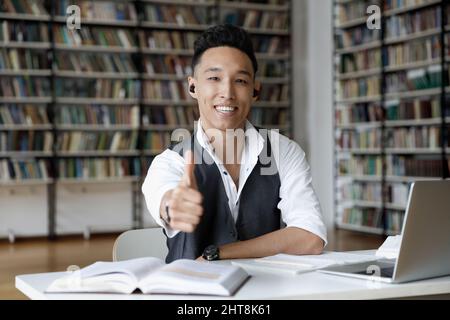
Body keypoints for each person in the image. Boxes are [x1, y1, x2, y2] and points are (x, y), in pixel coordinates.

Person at [142, 24, 327, 263]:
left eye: (240, 80)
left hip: (268, 293)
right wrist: (172, 207)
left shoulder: (283, 151)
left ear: (255, 90)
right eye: (214, 78)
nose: (227, 92)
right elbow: (164, 199)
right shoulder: (170, 162)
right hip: (191, 296)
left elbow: (310, 237)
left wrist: (220, 253)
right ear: (193, 86)